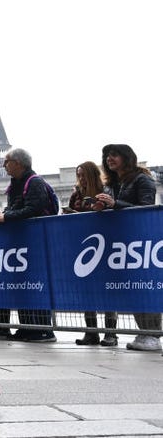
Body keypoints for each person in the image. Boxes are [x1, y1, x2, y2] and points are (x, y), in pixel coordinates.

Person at [0, 148, 58, 342]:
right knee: (22, 284)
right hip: (21, 243)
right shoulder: (15, 183)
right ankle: (27, 326)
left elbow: (33, 208)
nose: (4, 165)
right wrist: (3, 214)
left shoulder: (34, 181)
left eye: (7, 161)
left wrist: (7, 216)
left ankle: (43, 329)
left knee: (36, 283)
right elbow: (14, 207)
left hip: (36, 242)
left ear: (18, 163)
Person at [96, 143, 159, 352]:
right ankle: (144, 332)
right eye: (107, 156)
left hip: (142, 242)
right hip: (123, 244)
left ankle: (153, 334)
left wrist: (115, 204)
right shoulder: (113, 183)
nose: (109, 160)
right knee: (134, 288)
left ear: (126, 157)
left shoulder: (142, 179)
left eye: (114, 155)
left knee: (145, 286)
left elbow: (146, 209)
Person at [64, 161, 116, 345]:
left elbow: (114, 212)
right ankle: (91, 332)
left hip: (105, 244)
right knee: (87, 290)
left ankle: (111, 333)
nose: (81, 178)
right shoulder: (76, 194)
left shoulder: (106, 190)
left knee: (108, 289)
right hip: (83, 246)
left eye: (84, 174)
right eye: (79, 174)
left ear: (93, 174)